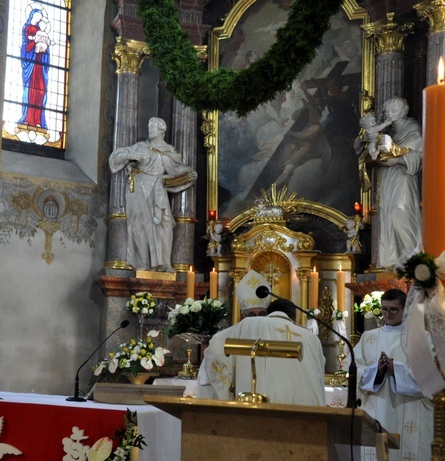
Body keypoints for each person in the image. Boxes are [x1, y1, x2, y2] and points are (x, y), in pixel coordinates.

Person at [353, 289, 434, 461]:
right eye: (384, 310)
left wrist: (396, 370)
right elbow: (354, 369)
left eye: (393, 310)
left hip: (409, 411)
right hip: (376, 412)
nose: (388, 314)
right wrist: (376, 372)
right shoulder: (368, 338)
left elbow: (431, 377)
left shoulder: (421, 338)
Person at [197, 298, 326, 405]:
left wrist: (227, 393)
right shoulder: (312, 338)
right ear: (294, 319)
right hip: (308, 410)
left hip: (267, 406)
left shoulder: (250, 325)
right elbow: (319, 374)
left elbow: (216, 347)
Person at [109, 117, 196, 272]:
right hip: (138, 187)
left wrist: (190, 173)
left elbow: (176, 170)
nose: (150, 129)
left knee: (165, 224)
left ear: (162, 130)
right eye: (149, 126)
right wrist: (129, 156)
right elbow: (116, 157)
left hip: (158, 190)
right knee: (138, 224)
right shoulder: (140, 146)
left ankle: (164, 263)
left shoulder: (169, 151)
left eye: (153, 127)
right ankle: (143, 262)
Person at [354, 97, 423, 268]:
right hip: (386, 178)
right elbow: (367, 152)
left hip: (403, 177)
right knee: (386, 216)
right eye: (387, 111)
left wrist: (392, 158)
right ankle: (393, 261)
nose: (390, 114)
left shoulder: (413, 128)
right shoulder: (389, 133)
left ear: (404, 111)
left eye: (394, 110)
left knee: (400, 212)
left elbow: (416, 154)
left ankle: (416, 259)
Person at [19, 8, 51, 129]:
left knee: (41, 91)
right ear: (33, 15)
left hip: (40, 65)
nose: (39, 18)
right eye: (38, 16)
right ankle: (27, 119)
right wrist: (34, 42)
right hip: (31, 66)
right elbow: (25, 48)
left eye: (40, 17)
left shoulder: (39, 30)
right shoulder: (27, 29)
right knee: (31, 92)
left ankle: (38, 121)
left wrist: (45, 46)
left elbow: (45, 45)